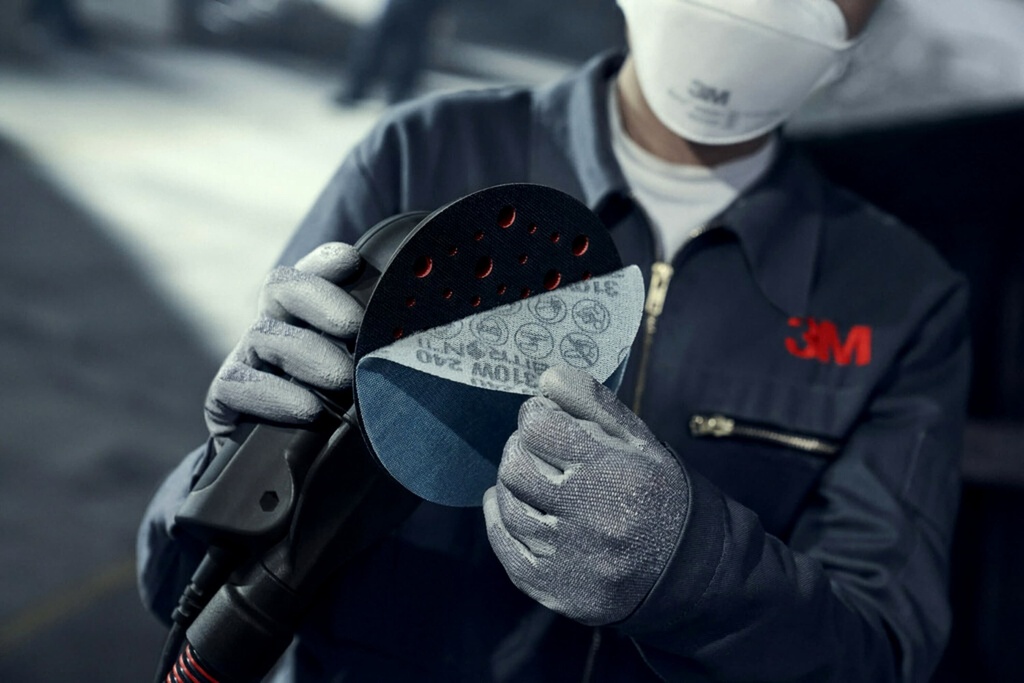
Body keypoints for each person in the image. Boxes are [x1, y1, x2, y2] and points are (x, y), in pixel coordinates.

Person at [137, 0, 971, 681]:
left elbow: (880, 651)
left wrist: (694, 572)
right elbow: (175, 586)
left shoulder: (901, 296)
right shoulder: (423, 153)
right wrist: (236, 464)